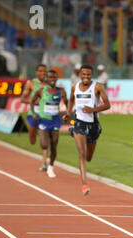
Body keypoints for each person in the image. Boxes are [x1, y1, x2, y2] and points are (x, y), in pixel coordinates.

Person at [63, 65, 111, 195]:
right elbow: (71, 100)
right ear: (79, 74)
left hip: (93, 125)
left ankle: (84, 178)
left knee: (89, 157)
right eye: (83, 74)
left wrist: (92, 110)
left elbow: (107, 105)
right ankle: (84, 185)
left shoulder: (97, 86)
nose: (86, 77)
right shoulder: (75, 87)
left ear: (92, 75)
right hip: (79, 124)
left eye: (88, 74)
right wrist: (68, 113)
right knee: (82, 154)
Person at [30, 69, 68, 178]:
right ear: (47, 79)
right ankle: (45, 161)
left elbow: (67, 104)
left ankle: (50, 167)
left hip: (55, 120)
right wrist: (34, 113)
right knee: (44, 144)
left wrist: (68, 113)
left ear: (56, 79)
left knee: (54, 145)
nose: (52, 80)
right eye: (50, 77)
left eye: (54, 78)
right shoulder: (41, 91)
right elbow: (32, 101)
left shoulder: (61, 91)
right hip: (43, 120)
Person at [21, 64, 47, 166]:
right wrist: (32, 102)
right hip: (33, 114)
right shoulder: (31, 83)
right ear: (36, 72)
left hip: (45, 115)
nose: (42, 73)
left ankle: (44, 162)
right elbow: (22, 99)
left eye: (44, 71)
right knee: (32, 140)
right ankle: (33, 134)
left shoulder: (48, 84)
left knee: (44, 139)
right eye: (40, 71)